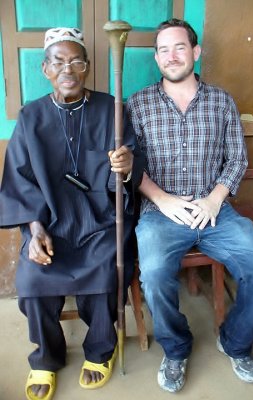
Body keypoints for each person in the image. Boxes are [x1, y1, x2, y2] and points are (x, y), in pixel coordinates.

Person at [126, 18, 253, 393]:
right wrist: (163, 200)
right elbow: (130, 162)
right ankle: (176, 348)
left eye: (179, 47)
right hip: (161, 212)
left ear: (195, 52)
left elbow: (237, 159)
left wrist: (213, 200)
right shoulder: (139, 103)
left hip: (214, 209)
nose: (171, 56)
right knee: (156, 272)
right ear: (156, 57)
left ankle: (236, 341)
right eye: (163, 49)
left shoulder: (222, 101)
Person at [0, 27, 145, 400]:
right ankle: (46, 358)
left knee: (104, 268)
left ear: (87, 68)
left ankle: (100, 351)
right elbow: (19, 179)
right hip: (50, 222)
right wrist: (33, 230)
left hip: (101, 221)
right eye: (59, 62)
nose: (68, 69)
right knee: (32, 279)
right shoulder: (30, 117)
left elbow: (129, 171)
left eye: (76, 61)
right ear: (45, 69)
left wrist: (126, 165)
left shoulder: (113, 109)